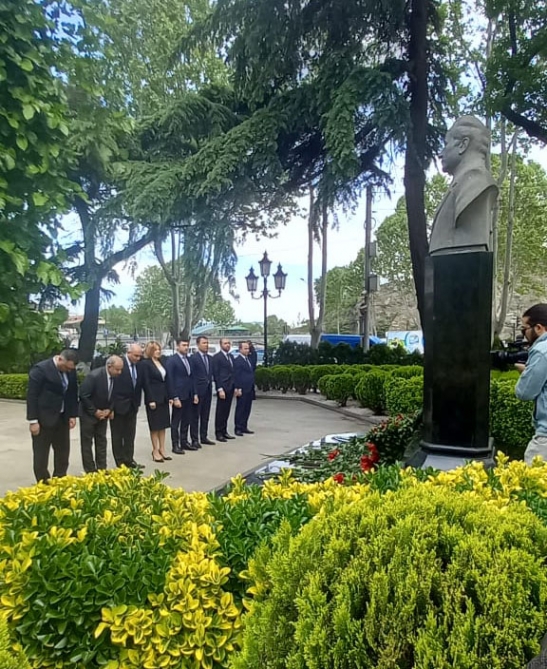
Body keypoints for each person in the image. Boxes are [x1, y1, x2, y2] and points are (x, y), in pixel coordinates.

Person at [429, 115, 498, 256]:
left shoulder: (477, 182)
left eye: (446, 144)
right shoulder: (459, 184)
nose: (440, 154)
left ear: (463, 144)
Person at [26, 349, 79, 482]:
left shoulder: (70, 371)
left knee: (63, 453)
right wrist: (33, 421)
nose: (68, 371)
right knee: (41, 455)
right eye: (66, 367)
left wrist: (72, 415)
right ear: (60, 359)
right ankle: (43, 483)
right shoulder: (41, 370)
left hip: (62, 418)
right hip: (43, 419)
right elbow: (32, 396)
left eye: (71, 369)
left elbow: (72, 393)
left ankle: (59, 480)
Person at [79, 355, 124, 473]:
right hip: (89, 414)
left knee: (101, 441)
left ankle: (101, 468)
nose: (120, 372)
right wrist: (95, 411)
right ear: (109, 366)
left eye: (121, 369)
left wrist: (110, 409)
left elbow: (115, 395)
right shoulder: (94, 376)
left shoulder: (116, 378)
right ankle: (90, 470)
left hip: (104, 414)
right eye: (117, 369)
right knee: (87, 443)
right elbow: (83, 395)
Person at [515, 304, 547, 464]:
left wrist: (525, 372)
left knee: (531, 484)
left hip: (545, 438)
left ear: (539, 328)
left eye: (524, 329)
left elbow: (524, 392)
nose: (523, 335)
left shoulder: (542, 350)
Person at [110, 343, 143, 469]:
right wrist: (111, 407)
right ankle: (120, 461)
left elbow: (139, 385)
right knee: (118, 435)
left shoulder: (138, 366)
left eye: (139, 356)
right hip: (118, 406)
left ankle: (129, 459)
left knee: (130, 434)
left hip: (132, 406)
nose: (137, 358)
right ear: (128, 353)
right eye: (135, 356)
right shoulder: (119, 364)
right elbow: (111, 388)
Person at [166, 338, 199, 453]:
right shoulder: (172, 361)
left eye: (187, 345)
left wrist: (195, 393)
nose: (186, 347)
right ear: (177, 346)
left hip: (189, 394)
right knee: (176, 421)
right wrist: (174, 397)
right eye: (184, 345)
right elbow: (170, 379)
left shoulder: (189, 360)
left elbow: (192, 377)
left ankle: (184, 442)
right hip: (179, 396)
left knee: (187, 419)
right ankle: (175, 445)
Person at [141, 341, 171, 462]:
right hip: (153, 398)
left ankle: (162, 449)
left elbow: (166, 380)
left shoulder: (162, 362)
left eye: (159, 349)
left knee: (163, 425)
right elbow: (146, 383)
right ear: (150, 351)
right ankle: (155, 450)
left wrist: (169, 396)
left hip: (163, 397)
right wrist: (150, 399)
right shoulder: (146, 364)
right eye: (156, 349)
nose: (158, 351)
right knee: (155, 426)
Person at [190, 335, 215, 445]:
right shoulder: (193, 358)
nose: (206, 345)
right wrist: (194, 392)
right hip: (198, 391)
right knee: (195, 416)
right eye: (204, 343)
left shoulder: (210, 358)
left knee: (205, 415)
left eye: (207, 343)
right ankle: (195, 439)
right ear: (198, 344)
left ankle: (203, 437)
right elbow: (192, 377)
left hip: (208, 390)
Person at [212, 338, 236, 442]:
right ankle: (218, 433)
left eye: (229, 343)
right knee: (220, 411)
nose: (227, 345)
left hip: (230, 387)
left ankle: (224, 431)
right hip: (223, 387)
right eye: (225, 343)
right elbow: (216, 374)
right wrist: (219, 388)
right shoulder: (217, 357)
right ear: (220, 344)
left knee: (226, 410)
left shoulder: (230, 356)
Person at [233, 341, 256, 436]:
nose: (247, 350)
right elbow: (236, 375)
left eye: (248, 348)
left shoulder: (249, 359)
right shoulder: (238, 360)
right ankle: (238, 427)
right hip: (242, 388)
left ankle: (244, 426)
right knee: (240, 408)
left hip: (249, 387)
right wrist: (237, 388)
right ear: (240, 349)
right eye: (245, 348)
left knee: (247, 408)